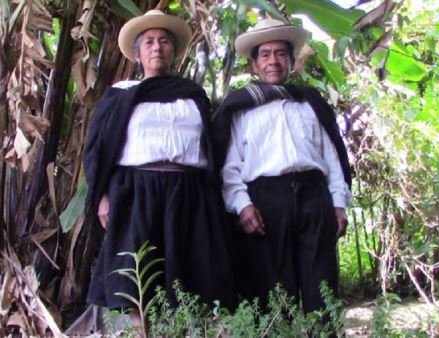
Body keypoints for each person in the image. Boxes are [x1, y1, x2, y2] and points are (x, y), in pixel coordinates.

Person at [83, 9, 235, 319]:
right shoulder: (120, 95)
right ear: (137, 53)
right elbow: (98, 149)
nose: (157, 47)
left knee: (188, 272)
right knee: (136, 274)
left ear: (173, 51)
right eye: (149, 41)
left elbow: (209, 148)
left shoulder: (193, 96)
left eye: (164, 41)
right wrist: (101, 197)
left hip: (188, 192)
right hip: (135, 192)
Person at [213, 19, 352, 314]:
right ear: (253, 64)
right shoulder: (240, 109)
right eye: (265, 55)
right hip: (266, 202)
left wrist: (338, 203)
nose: (273, 61)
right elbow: (229, 168)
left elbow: (332, 158)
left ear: (291, 62)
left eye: (280, 54)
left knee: (323, 288)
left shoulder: (310, 103)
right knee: (272, 291)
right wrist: (242, 205)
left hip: (314, 197)